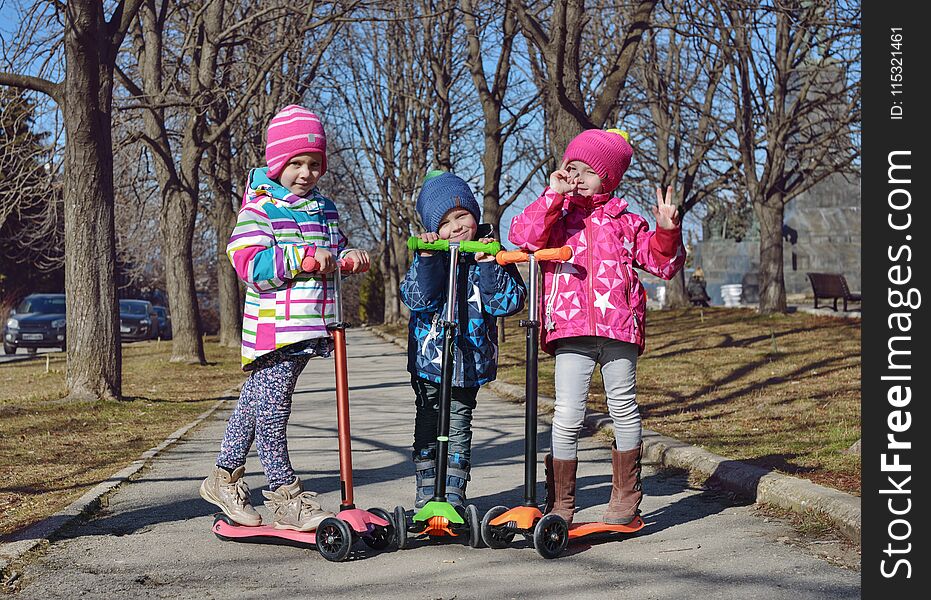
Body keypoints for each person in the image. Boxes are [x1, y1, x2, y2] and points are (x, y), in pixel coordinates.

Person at [200, 105, 370, 532]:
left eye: (314, 164)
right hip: (275, 328)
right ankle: (285, 497)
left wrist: (349, 256)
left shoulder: (324, 209)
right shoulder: (261, 208)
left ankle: (223, 478)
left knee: (253, 404)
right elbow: (247, 264)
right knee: (273, 410)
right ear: (278, 162)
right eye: (296, 163)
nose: (306, 172)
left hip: (311, 324)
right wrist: (301, 257)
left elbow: (337, 246)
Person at [508, 128, 685, 525]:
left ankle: (625, 495)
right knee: (568, 413)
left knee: (623, 407)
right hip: (569, 330)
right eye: (571, 168)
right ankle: (561, 503)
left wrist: (667, 232)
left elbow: (662, 264)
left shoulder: (626, 222)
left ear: (608, 177)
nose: (577, 177)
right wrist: (552, 195)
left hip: (618, 329)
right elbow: (523, 238)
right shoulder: (557, 217)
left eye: (587, 170)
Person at [400, 171, 526, 508]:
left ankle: (453, 492)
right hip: (430, 360)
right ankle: (427, 492)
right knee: (427, 418)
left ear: (475, 214)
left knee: (458, 421)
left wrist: (489, 265)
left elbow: (507, 303)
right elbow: (417, 298)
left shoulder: (490, 252)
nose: (456, 227)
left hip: (469, 360)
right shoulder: (431, 254)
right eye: (445, 222)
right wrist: (427, 259)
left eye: (462, 216)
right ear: (434, 229)